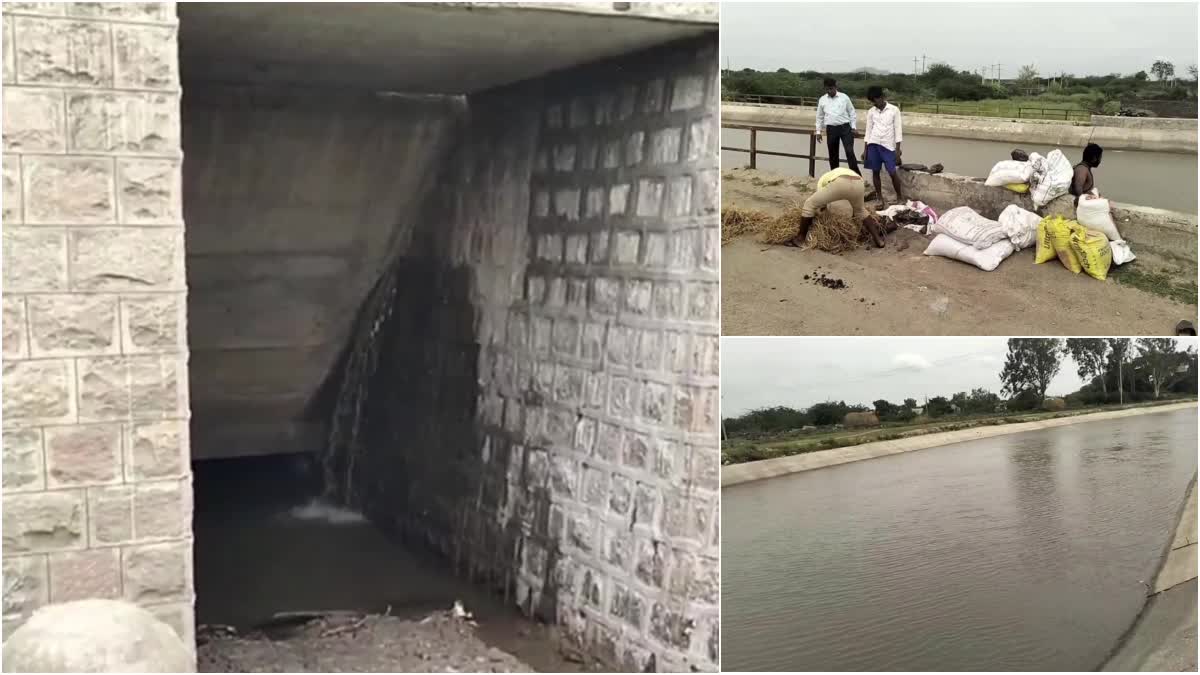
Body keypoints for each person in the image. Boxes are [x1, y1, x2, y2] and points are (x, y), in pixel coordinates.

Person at [790, 167, 885, 248]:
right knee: (860, 210)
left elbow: (821, 205)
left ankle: (800, 238)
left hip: (841, 182)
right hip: (859, 181)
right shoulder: (835, 173)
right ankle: (878, 240)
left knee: (809, 204)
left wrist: (820, 215)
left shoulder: (822, 181)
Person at [861, 86, 903, 207]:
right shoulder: (871, 112)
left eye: (876, 100)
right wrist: (865, 150)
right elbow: (868, 131)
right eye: (872, 101)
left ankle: (899, 197)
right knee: (875, 172)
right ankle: (880, 198)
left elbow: (898, 130)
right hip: (873, 144)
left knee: (892, 172)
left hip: (888, 146)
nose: (875, 103)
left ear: (882, 97)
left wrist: (898, 150)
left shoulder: (894, 110)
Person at [814, 78, 859, 174]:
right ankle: (835, 176)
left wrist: (854, 127)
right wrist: (818, 131)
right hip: (831, 129)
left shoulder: (844, 97)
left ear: (835, 87)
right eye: (827, 89)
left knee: (849, 152)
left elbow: (852, 112)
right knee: (833, 154)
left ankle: (857, 176)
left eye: (831, 88)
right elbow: (819, 117)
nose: (829, 91)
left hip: (845, 128)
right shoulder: (822, 100)